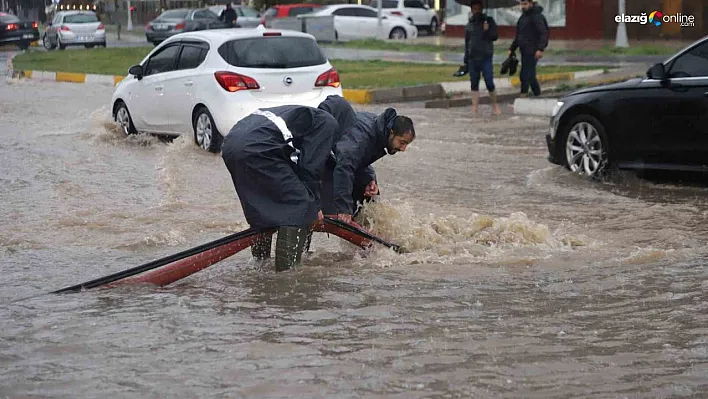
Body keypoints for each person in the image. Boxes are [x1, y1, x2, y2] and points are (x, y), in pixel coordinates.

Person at [221, 105, 338, 271]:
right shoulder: (328, 123)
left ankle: (260, 266)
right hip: (258, 148)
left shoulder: (297, 116)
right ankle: (286, 276)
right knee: (301, 207)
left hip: (231, 146)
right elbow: (310, 167)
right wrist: (315, 206)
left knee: (261, 210)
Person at [316, 95, 415, 224]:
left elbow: (358, 157)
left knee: (370, 191)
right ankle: (346, 216)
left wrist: (370, 178)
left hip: (336, 156)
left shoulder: (378, 128)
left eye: (406, 144)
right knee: (340, 196)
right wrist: (343, 209)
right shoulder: (363, 137)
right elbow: (344, 166)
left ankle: (372, 227)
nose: (403, 149)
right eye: (402, 142)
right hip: (326, 163)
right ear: (391, 132)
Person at [464, 0, 501, 116]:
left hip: (486, 56)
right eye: (474, 9)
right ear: (471, 10)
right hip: (472, 58)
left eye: (478, 9)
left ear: (482, 9)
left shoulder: (489, 21)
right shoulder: (469, 24)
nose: (476, 11)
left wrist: (487, 30)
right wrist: (466, 59)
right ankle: (474, 108)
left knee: (489, 81)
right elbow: (467, 42)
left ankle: (495, 105)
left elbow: (494, 36)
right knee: (474, 83)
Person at [508, 0, 549, 98]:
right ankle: (536, 94)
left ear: (531, 4)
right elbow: (519, 35)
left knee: (526, 74)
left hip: (533, 50)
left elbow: (543, 33)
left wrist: (540, 49)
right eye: (521, 4)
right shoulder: (523, 17)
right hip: (524, 50)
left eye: (525, 4)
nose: (523, 6)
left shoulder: (537, 16)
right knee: (528, 74)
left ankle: (525, 94)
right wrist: (512, 48)